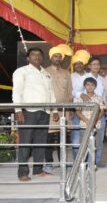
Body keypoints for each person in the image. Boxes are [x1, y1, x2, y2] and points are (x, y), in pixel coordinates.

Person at [12, 47, 59, 181]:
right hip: (28, 112)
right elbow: (17, 92)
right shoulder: (22, 72)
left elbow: (51, 93)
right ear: (28, 58)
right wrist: (18, 110)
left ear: (42, 58)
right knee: (25, 143)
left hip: (44, 111)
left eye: (39, 55)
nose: (36, 57)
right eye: (33, 55)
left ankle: (38, 170)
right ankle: (23, 173)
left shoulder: (46, 73)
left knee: (41, 142)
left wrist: (54, 110)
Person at [44, 45, 73, 174]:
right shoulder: (44, 72)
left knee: (63, 137)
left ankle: (63, 162)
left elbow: (70, 92)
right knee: (49, 137)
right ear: (51, 58)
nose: (58, 58)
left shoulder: (67, 73)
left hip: (64, 110)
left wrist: (69, 109)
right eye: (55, 56)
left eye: (60, 56)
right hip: (49, 110)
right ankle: (49, 163)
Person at [85, 57, 107, 167]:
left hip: (100, 112)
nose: (96, 66)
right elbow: (77, 92)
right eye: (93, 64)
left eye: (98, 64)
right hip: (85, 112)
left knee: (99, 138)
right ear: (89, 66)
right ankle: (85, 161)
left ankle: (97, 161)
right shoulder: (84, 77)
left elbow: (105, 95)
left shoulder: (103, 79)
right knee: (85, 138)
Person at [75, 78, 104, 154]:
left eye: (92, 85)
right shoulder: (80, 98)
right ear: (84, 86)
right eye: (87, 85)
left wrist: (94, 121)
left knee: (95, 146)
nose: (90, 87)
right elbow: (78, 112)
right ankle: (84, 164)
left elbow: (101, 111)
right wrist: (87, 121)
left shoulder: (99, 98)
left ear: (95, 87)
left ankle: (93, 164)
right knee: (84, 146)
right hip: (84, 125)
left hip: (95, 125)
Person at [70, 50, 91, 159]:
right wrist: (81, 94)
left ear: (84, 64)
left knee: (88, 136)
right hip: (77, 109)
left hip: (89, 110)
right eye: (76, 64)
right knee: (76, 136)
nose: (78, 65)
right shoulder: (71, 76)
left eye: (80, 63)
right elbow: (71, 91)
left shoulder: (89, 75)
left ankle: (88, 160)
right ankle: (76, 160)